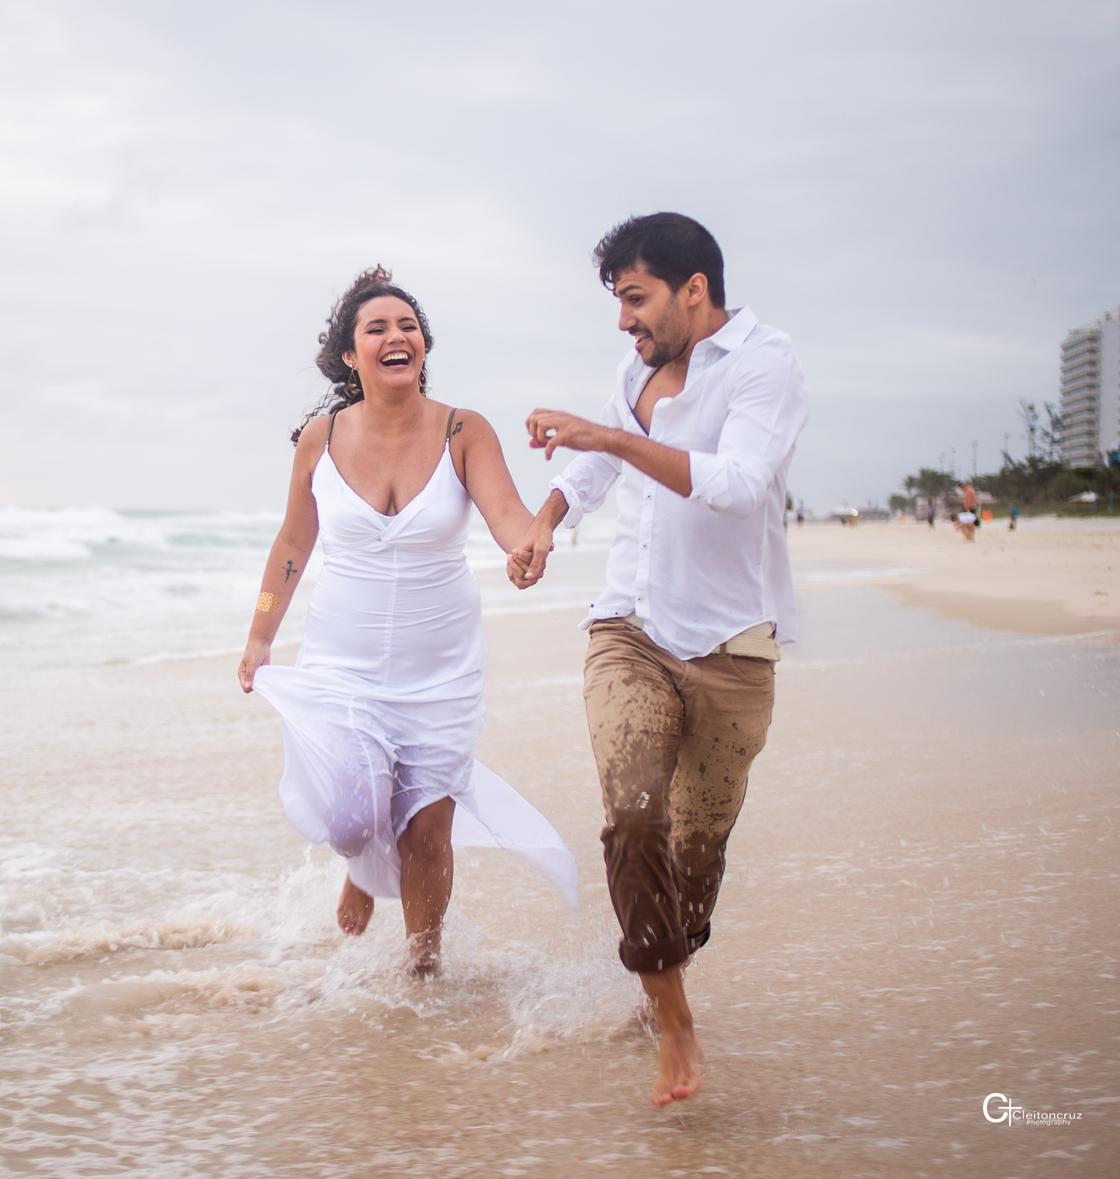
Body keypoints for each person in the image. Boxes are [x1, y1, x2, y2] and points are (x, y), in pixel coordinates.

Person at [507, 213, 809, 1106]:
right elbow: (593, 470)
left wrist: (607, 437)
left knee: (694, 857)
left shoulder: (765, 363)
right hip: (628, 628)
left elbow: (738, 485)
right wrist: (545, 522)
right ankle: (675, 1022)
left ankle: (663, 972)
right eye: (617, 302)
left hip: (732, 646)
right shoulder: (632, 372)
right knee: (633, 818)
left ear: (694, 289)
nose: (623, 321)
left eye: (635, 298)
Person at [239, 266, 577, 975]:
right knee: (353, 818)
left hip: (441, 670)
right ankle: (362, 869)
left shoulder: (462, 430)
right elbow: (293, 544)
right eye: (377, 328)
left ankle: (424, 969)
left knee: (427, 829)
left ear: (423, 345)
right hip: (343, 663)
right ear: (349, 354)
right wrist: (260, 634)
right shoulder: (320, 438)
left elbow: (508, 517)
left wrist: (530, 544)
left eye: (408, 326)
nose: (397, 336)